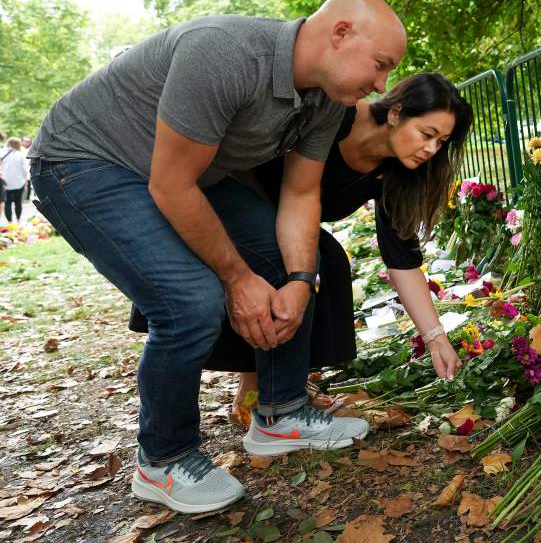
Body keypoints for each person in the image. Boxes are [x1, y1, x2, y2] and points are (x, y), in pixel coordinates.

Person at [29, 0, 407, 514]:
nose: (382, 85)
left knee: (299, 257)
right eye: (382, 65)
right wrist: (236, 279)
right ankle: (161, 461)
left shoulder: (326, 99)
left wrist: (300, 279)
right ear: (340, 34)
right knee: (190, 301)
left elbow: (300, 194)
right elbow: (172, 185)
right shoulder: (224, 53)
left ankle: (280, 414)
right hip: (87, 161)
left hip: (185, 173)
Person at [129, 73, 472, 415]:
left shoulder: (397, 173)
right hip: (226, 196)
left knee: (327, 262)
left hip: (288, 223)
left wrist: (436, 338)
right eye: (427, 134)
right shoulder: (336, 116)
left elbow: (402, 260)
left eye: (441, 142)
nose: (431, 149)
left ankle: (283, 381)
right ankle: (258, 387)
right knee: (307, 258)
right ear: (396, 113)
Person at [1, 137, 29, 222]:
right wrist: (26, 181)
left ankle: (9, 222)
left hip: (5, 183)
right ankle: (18, 220)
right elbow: (25, 170)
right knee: (18, 203)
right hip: (19, 182)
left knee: (7, 203)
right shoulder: (20, 155)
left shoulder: (2, 153)